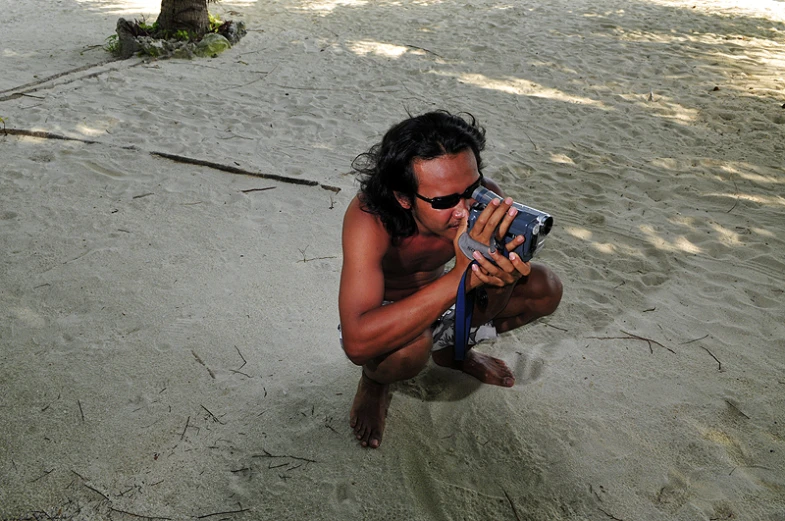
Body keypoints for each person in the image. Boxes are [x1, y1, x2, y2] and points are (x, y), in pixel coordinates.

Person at [338, 111, 562, 448]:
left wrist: (498, 281)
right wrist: (462, 275)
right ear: (402, 197)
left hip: (448, 295)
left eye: (472, 188)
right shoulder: (370, 218)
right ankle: (375, 382)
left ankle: (454, 353)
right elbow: (356, 343)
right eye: (444, 200)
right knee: (408, 352)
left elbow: (484, 311)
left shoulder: (486, 201)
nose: (464, 209)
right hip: (388, 313)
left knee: (545, 289)